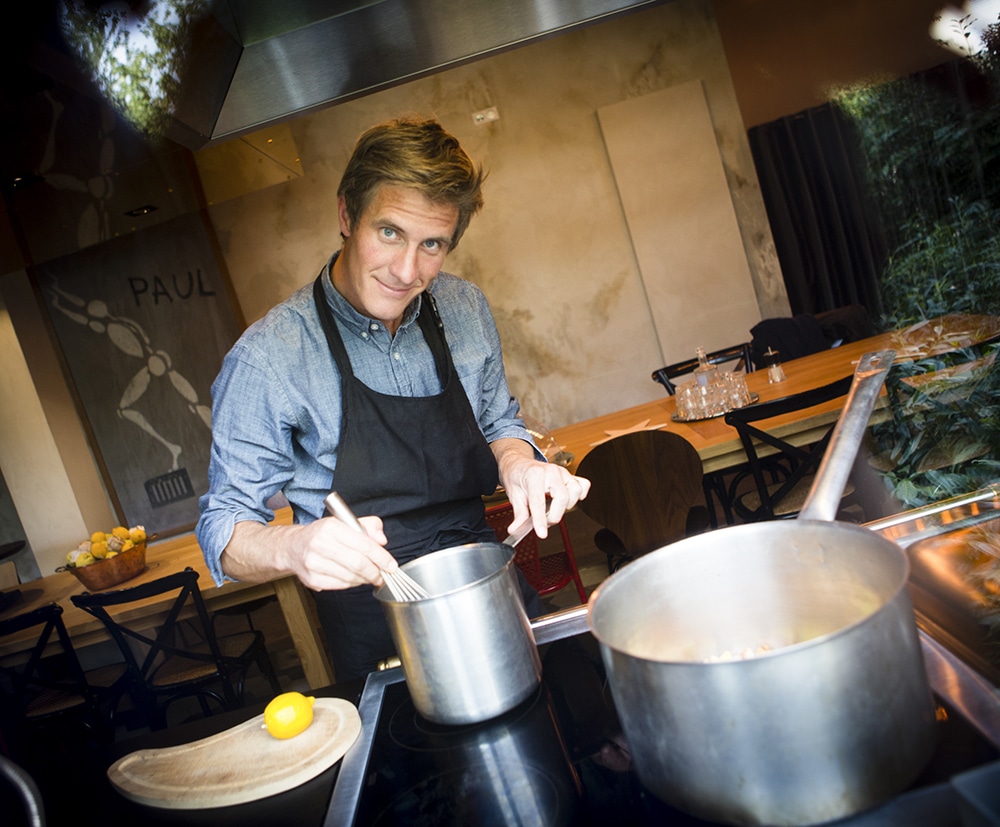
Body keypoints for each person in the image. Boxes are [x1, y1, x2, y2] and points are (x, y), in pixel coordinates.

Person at [196, 116, 590, 681]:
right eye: (389, 233)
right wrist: (295, 547)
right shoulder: (269, 357)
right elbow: (223, 529)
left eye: (432, 244)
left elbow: (497, 420)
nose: (408, 271)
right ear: (346, 216)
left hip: (485, 581)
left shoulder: (463, 309)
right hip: (375, 620)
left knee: (586, 717)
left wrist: (520, 463)